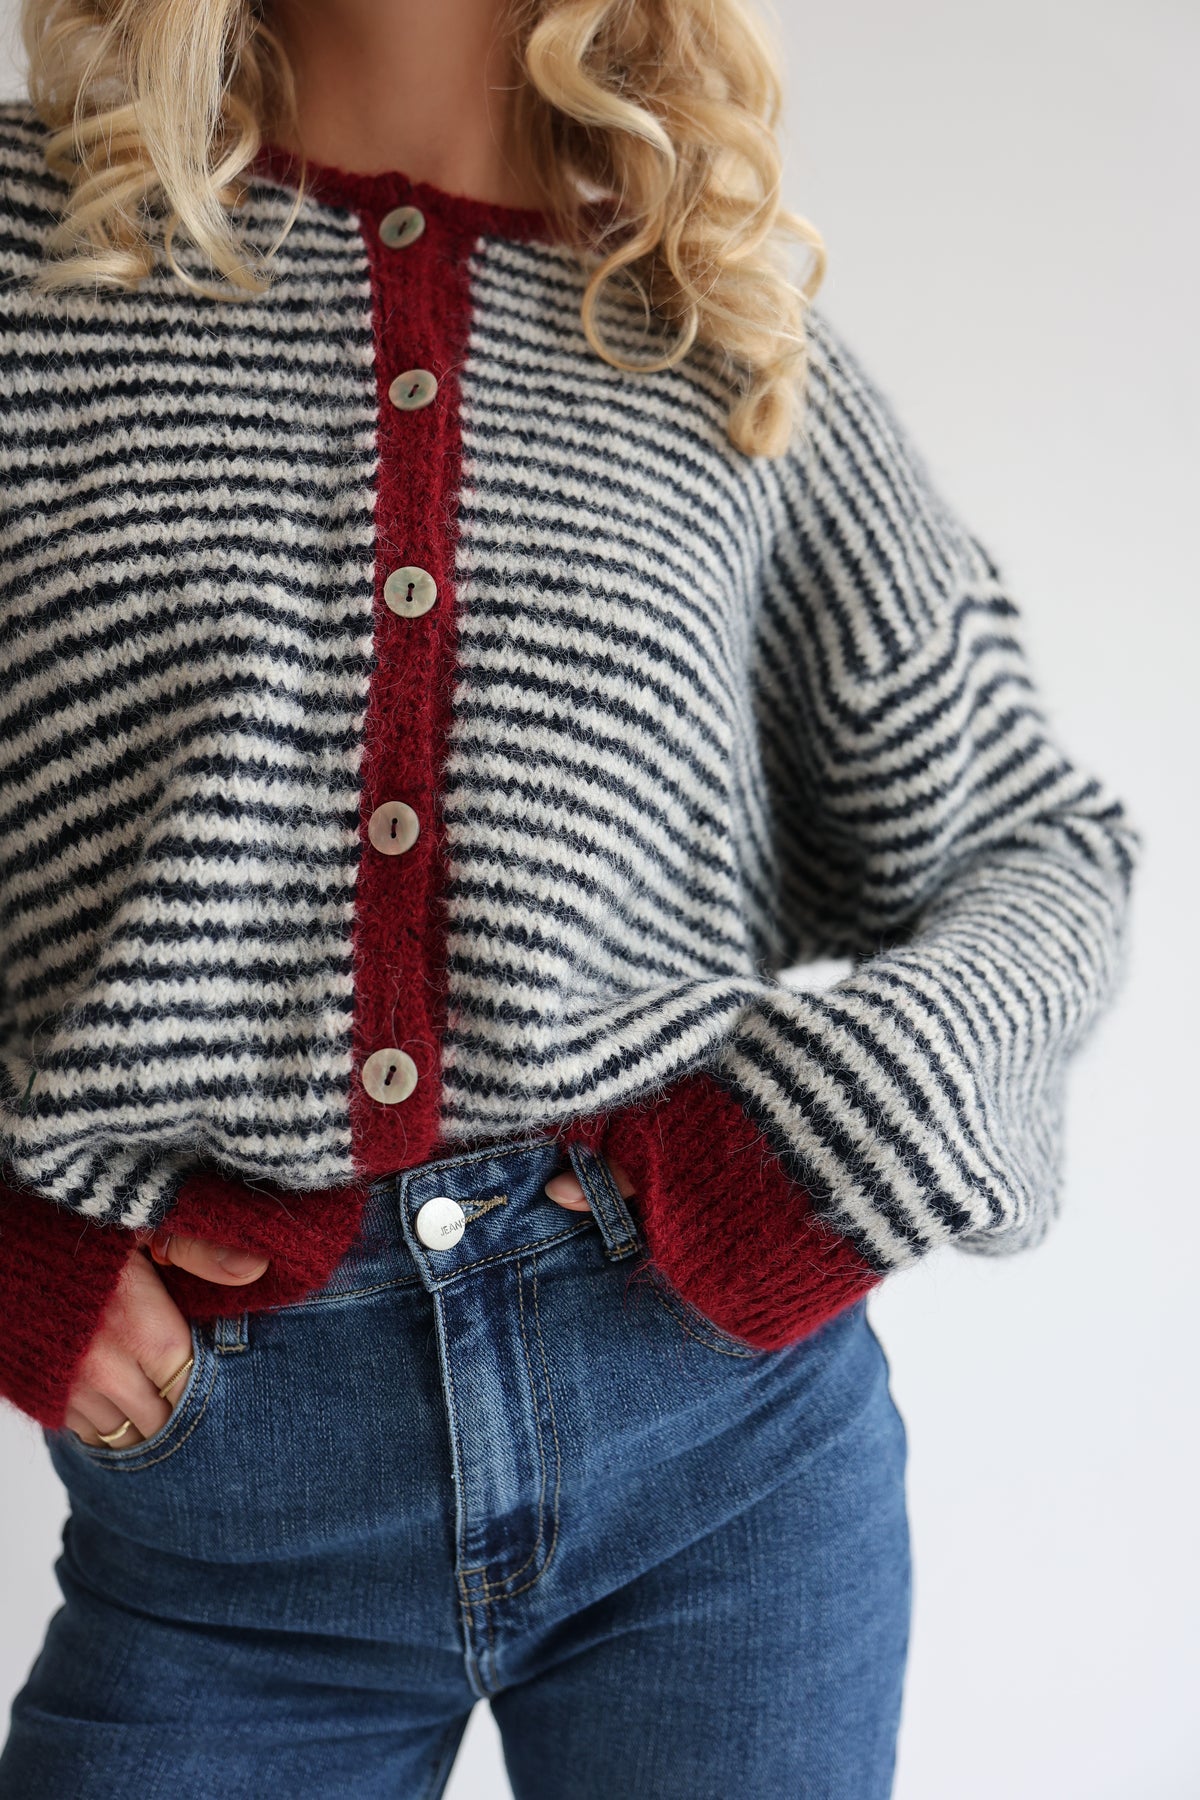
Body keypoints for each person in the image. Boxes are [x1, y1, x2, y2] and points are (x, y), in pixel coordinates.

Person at [0, 0, 1139, 1794]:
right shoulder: (43, 255)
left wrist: (829, 1136)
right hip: (226, 1507)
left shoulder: (719, 338)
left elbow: (1041, 845)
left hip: (719, 1455)